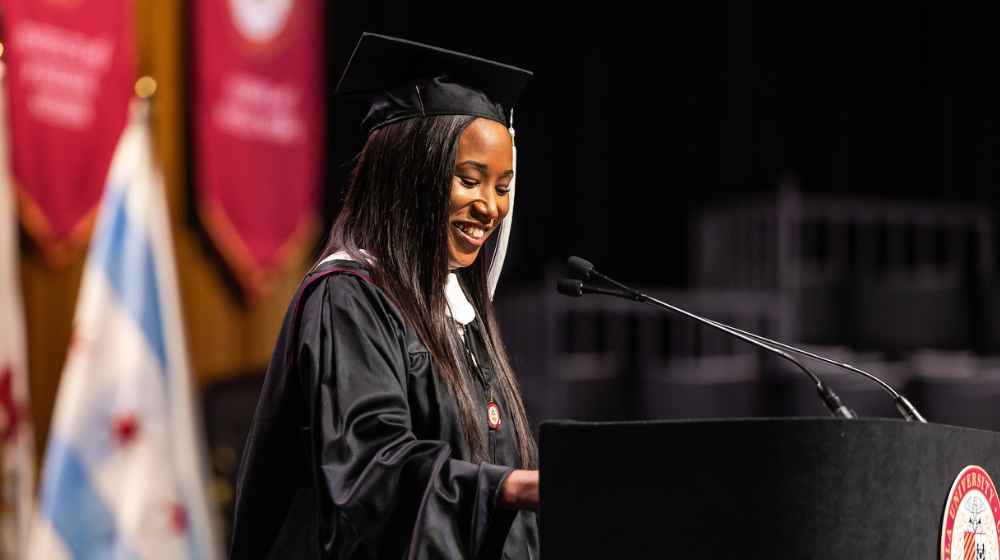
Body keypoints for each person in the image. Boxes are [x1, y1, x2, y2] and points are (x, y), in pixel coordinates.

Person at [230, 34, 539, 560]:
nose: (490, 207)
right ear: (411, 175)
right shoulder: (349, 298)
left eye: (503, 186)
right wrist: (509, 488)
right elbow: (370, 475)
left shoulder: (458, 310)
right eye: (470, 180)